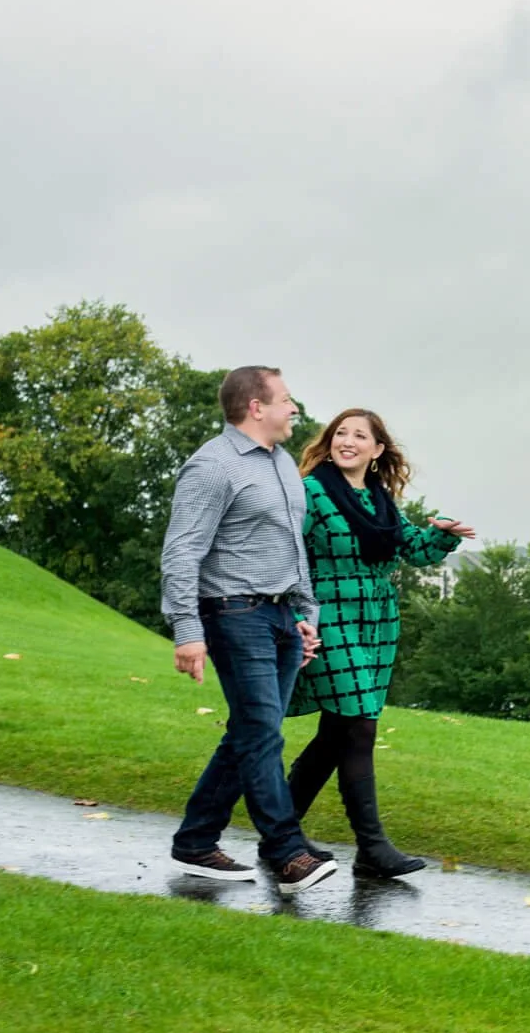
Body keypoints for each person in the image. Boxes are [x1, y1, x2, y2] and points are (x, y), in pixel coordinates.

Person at [160, 365, 341, 890]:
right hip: (233, 614)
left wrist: (308, 615)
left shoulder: (283, 464)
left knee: (248, 733)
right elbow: (181, 552)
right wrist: (187, 630)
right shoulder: (212, 467)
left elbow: (293, 546)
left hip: (284, 617)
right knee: (264, 733)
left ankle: (196, 839)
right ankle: (287, 854)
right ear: (255, 407)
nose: (295, 409)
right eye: (286, 399)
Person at [284, 408, 475, 877]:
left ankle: (282, 830)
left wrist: (442, 536)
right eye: (340, 433)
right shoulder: (309, 492)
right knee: (358, 727)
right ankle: (372, 847)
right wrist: (292, 617)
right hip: (328, 616)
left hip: (377, 622)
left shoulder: (380, 499)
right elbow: (286, 555)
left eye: (359, 435)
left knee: (337, 731)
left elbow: (413, 548)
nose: (347, 441)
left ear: (377, 450)